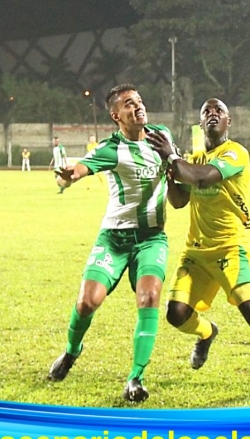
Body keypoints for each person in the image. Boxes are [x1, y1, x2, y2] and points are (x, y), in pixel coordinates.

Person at [146, 97, 250, 392]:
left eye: (218, 111)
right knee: (176, 314)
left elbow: (205, 178)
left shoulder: (236, 153)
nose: (212, 114)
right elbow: (180, 201)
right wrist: (170, 173)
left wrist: (172, 158)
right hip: (196, 252)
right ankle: (207, 333)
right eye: (206, 111)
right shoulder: (191, 159)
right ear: (200, 123)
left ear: (228, 122)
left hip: (231, 248)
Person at [47, 83, 174, 403]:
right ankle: (71, 352)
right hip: (115, 239)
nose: (138, 107)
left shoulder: (162, 136)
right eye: (130, 104)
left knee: (149, 297)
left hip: (151, 238)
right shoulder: (110, 148)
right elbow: (80, 168)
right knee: (87, 302)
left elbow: (176, 169)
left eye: (140, 101)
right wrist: (66, 175)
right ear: (116, 115)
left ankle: (136, 377)